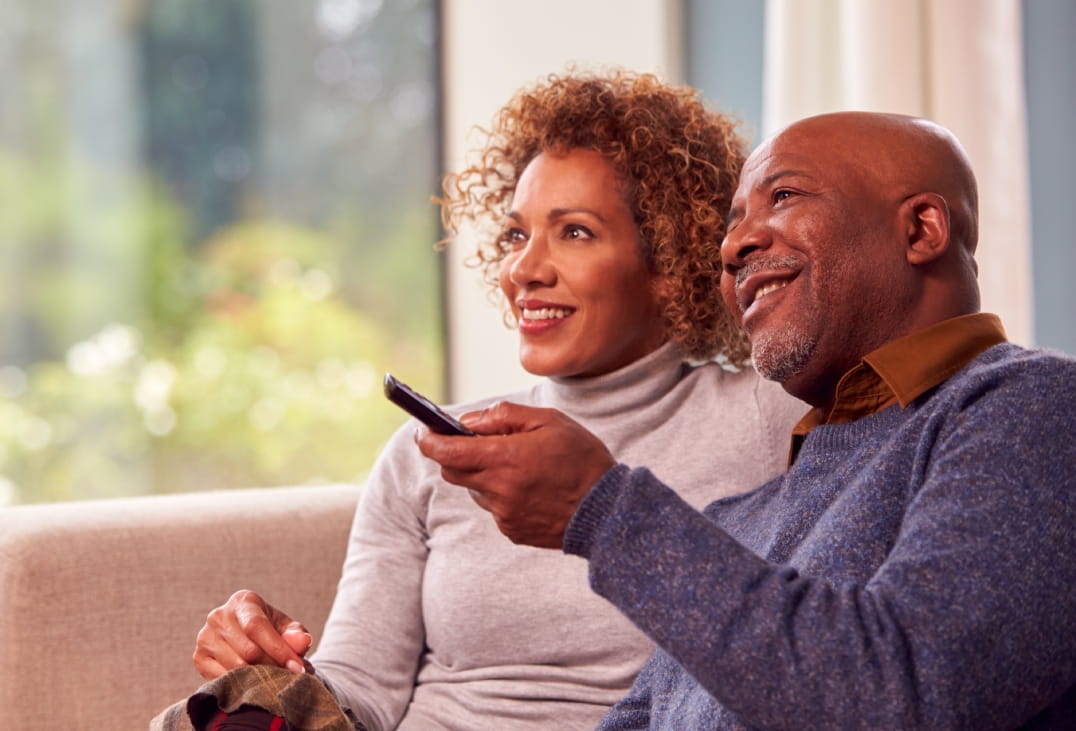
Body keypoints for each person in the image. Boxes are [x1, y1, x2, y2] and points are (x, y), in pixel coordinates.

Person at [153, 69, 805, 731]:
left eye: (574, 232)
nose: (524, 270)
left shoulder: (772, 423)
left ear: (672, 265)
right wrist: (276, 669)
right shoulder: (427, 452)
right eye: (517, 235)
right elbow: (361, 686)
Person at [418, 110, 1076, 729]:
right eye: (732, 221)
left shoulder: (1033, 408)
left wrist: (602, 509)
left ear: (921, 229)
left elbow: (902, 693)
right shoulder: (741, 520)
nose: (734, 244)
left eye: (784, 197)